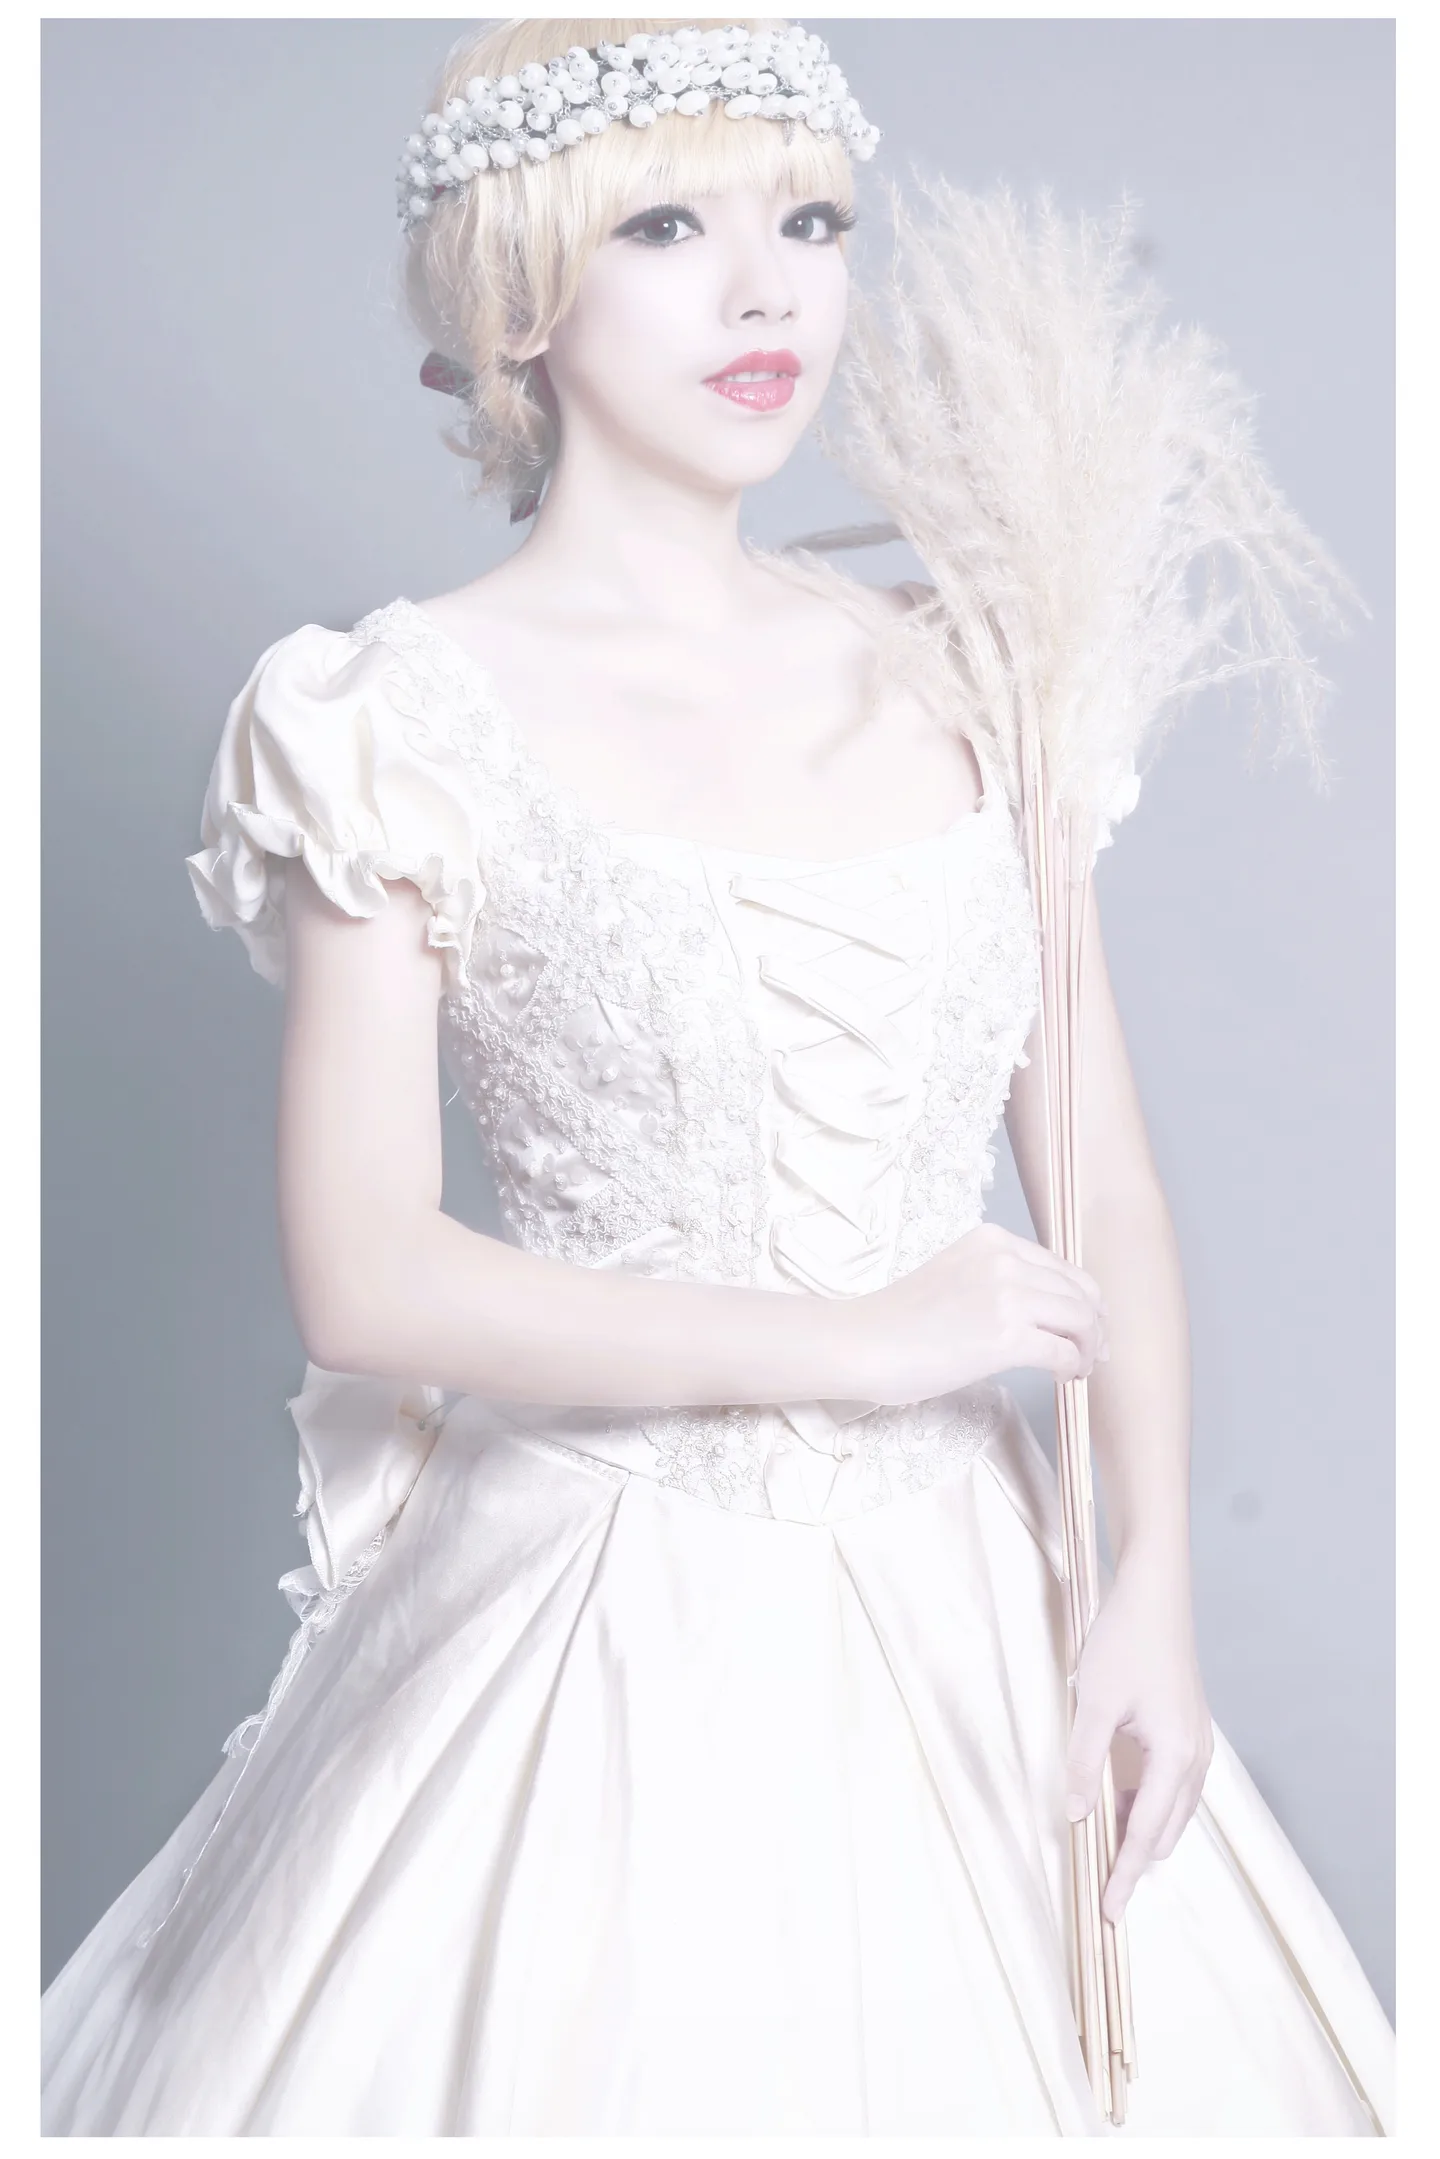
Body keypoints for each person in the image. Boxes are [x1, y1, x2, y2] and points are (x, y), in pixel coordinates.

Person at [41, 17, 1394, 2136]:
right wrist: (857, 1340)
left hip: (983, 1597)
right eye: (668, 227)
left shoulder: (983, 663)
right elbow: (369, 1275)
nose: (769, 292)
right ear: (522, 298)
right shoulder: (388, 713)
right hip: (598, 1596)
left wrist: (1152, 1586)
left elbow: (1106, 1184)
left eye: (812, 222)